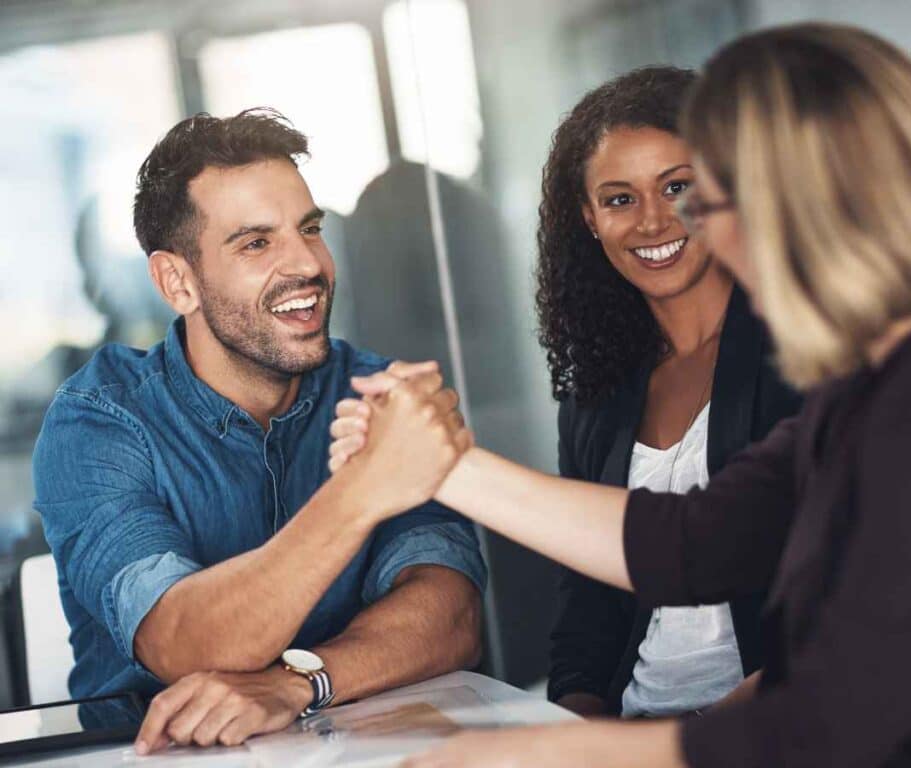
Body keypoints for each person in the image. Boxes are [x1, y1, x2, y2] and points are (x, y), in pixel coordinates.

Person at [330, 23, 911, 767]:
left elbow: (824, 723)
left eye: (709, 205)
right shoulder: (880, 377)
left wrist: (545, 755)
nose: (707, 240)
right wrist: (440, 463)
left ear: (806, 201)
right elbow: (695, 540)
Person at [328, 67, 800, 717]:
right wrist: (584, 729)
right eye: (619, 199)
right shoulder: (598, 393)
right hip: (633, 726)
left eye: (678, 187)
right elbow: (585, 617)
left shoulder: (805, 356)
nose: (653, 221)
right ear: (589, 219)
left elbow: (815, 612)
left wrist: (436, 461)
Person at [31, 109, 486, 754]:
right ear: (177, 282)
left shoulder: (376, 392)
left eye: (310, 229)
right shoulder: (100, 421)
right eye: (256, 243)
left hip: (358, 746)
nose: (307, 264)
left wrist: (300, 684)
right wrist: (365, 487)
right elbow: (185, 641)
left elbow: (452, 614)